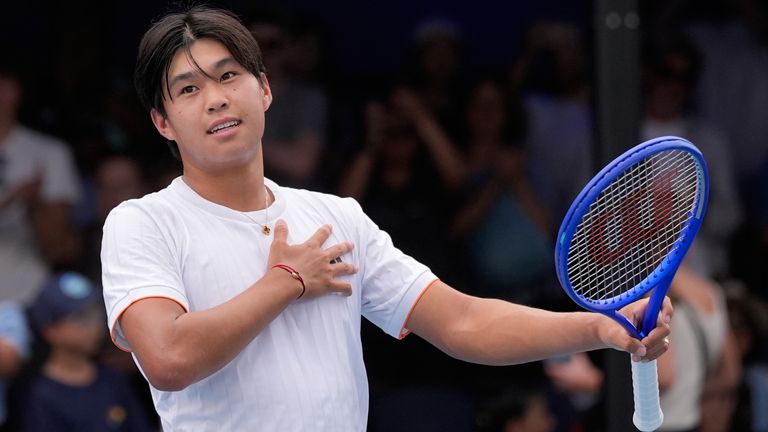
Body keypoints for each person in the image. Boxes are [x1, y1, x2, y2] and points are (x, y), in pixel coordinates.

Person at [100, 6, 673, 431]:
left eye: (229, 77)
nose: (216, 99)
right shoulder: (142, 223)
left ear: (265, 89)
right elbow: (169, 358)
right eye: (189, 89)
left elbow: (463, 323)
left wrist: (600, 327)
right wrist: (285, 282)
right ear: (163, 123)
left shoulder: (334, 216)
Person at [0, 47, 83, 305]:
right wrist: (11, 198)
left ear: (16, 91)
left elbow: (62, 247)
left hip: (30, 295)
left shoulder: (48, 153)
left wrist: (35, 203)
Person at [23, 271, 154, 431]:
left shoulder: (113, 378)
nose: (93, 324)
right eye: (80, 316)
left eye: (95, 312)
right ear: (50, 330)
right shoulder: (41, 395)